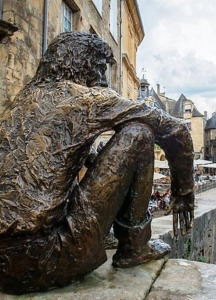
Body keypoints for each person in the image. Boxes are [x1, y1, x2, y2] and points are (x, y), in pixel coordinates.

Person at [0, 32, 195, 294]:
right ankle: (134, 247)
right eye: (101, 69)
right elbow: (177, 131)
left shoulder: (22, 101)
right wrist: (184, 194)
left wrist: (102, 158)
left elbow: (52, 169)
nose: (103, 81)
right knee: (140, 133)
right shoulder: (85, 99)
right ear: (83, 65)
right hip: (44, 260)